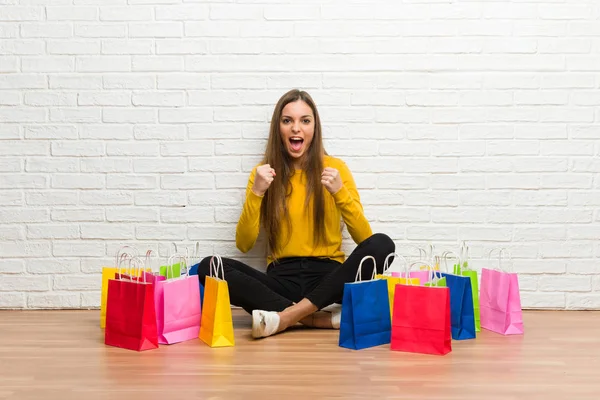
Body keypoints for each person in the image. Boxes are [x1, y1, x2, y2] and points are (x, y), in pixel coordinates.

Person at [196, 89, 395, 339]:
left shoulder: (336, 169)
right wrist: (257, 192)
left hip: (329, 280)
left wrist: (340, 193)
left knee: (383, 244)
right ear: (278, 127)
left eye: (305, 120)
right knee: (209, 267)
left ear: (315, 127)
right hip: (282, 281)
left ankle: (286, 317)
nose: (296, 129)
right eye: (287, 120)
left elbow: (364, 238)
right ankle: (315, 318)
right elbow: (244, 244)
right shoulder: (262, 173)